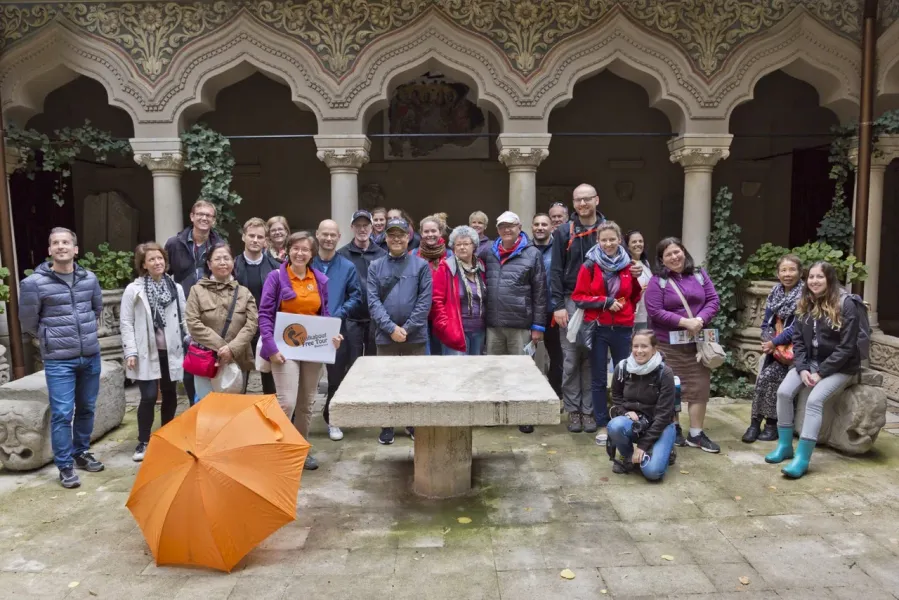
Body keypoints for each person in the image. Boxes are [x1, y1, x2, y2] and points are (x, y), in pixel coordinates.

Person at [551, 184, 643, 438]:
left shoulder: (607, 229)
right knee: (571, 358)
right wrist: (558, 306)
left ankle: (590, 410)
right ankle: (574, 409)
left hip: (604, 303)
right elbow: (555, 270)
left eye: (587, 199)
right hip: (572, 300)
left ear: (597, 200)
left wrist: (634, 271)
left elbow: (623, 262)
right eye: (578, 200)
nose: (582, 204)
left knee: (594, 358)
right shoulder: (563, 231)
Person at [19, 227, 104, 489]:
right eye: (55, 243)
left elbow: (96, 308)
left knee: (87, 407)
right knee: (62, 413)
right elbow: (28, 322)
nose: (61, 246)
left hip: (90, 355)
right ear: (49, 250)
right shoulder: (33, 283)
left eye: (66, 242)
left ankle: (81, 452)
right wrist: (50, 338)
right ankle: (65, 465)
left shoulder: (89, 278)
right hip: (59, 360)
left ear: (75, 249)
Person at [765, 261, 863, 479]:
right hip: (810, 362)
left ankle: (802, 458)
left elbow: (847, 347)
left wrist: (821, 372)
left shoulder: (846, 304)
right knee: (783, 392)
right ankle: (784, 446)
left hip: (841, 366)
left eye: (820, 277)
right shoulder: (805, 301)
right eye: (811, 277)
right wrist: (802, 369)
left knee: (814, 400)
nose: (814, 281)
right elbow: (798, 341)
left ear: (829, 279)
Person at [259, 231, 342, 470]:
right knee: (287, 402)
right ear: (287, 250)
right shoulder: (276, 277)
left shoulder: (320, 280)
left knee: (306, 404)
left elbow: (324, 314)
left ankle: (300, 449)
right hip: (283, 350)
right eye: (295, 248)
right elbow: (264, 315)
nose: (300, 253)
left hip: (312, 349)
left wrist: (332, 337)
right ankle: (279, 449)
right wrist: (271, 347)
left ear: (312, 254)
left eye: (305, 249)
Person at [644, 237, 721, 453]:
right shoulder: (657, 281)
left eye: (677, 252)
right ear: (661, 260)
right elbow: (655, 311)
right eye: (668, 254)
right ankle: (674, 428)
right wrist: (683, 322)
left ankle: (696, 434)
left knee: (699, 387)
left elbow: (713, 300)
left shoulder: (699, 274)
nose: (674, 257)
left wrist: (700, 320)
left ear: (684, 252)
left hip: (697, 344)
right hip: (669, 344)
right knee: (672, 387)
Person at [571, 221, 643, 440]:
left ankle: (623, 421)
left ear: (619, 240)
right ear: (598, 241)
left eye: (612, 239)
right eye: (604, 240)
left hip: (623, 327)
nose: (608, 243)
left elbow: (634, 295)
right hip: (598, 327)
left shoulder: (628, 265)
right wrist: (605, 302)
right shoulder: (590, 265)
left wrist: (628, 300)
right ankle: (602, 422)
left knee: (625, 376)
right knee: (599, 378)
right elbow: (578, 297)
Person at [368, 217, 433, 444]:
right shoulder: (375, 266)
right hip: (385, 336)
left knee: (414, 381)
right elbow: (373, 302)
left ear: (408, 237)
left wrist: (406, 328)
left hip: (415, 336)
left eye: (401, 235)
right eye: (392, 235)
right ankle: (387, 425)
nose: (396, 239)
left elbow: (425, 302)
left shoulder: (421, 266)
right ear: (385, 238)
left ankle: (412, 422)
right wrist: (390, 328)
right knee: (386, 381)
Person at [120, 242, 187, 462]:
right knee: (148, 396)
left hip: (171, 349)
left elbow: (185, 316)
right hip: (146, 350)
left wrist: (190, 340)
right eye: (152, 259)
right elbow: (126, 322)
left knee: (170, 393)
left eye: (160, 258)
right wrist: (130, 351)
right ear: (143, 265)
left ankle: (166, 436)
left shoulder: (175, 287)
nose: (157, 262)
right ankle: (143, 441)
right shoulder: (134, 290)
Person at [483, 211, 546, 434]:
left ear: (519, 227)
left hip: (520, 324)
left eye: (511, 226)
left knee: (522, 372)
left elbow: (540, 292)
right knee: (494, 371)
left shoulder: (532, 253)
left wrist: (538, 326)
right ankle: (495, 414)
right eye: (502, 226)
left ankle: (524, 415)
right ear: (497, 230)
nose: (506, 230)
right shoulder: (489, 252)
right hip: (493, 324)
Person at [165, 199, 224, 406]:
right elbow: (165, 274)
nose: (204, 218)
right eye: (200, 214)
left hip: (211, 310)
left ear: (213, 220)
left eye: (209, 215)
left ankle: (213, 405)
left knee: (210, 359)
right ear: (192, 217)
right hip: (184, 310)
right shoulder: (175, 243)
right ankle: (194, 405)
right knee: (190, 360)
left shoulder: (219, 245)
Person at [185, 243, 258, 402]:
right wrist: (221, 348)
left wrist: (232, 349)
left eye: (227, 258)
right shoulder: (197, 291)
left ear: (233, 262)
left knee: (233, 406)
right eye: (217, 259)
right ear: (209, 264)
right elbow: (193, 323)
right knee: (207, 404)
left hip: (237, 358)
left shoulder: (244, 293)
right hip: (206, 358)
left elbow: (252, 324)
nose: (223, 262)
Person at [742, 254, 802, 444]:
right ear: (778, 273)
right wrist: (767, 340)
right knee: (763, 379)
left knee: (770, 377)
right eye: (783, 270)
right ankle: (754, 423)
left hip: (795, 351)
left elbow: (797, 327)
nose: (787, 274)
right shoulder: (775, 293)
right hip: (775, 351)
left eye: (792, 270)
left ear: (800, 273)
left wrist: (774, 343)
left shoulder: (805, 296)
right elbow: (766, 323)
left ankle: (771, 424)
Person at [313, 220, 362, 441]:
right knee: (307, 377)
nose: (328, 238)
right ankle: (298, 420)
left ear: (339, 237)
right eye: (325, 234)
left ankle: (332, 419)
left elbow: (356, 296)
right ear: (317, 235)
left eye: (333, 235)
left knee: (335, 378)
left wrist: (339, 313)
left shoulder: (347, 266)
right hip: (309, 329)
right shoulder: (307, 262)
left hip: (336, 330)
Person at [607, 330, 677, 480]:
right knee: (615, 426)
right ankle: (628, 457)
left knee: (653, 473)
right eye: (635, 346)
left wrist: (642, 446)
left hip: (660, 424)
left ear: (654, 349)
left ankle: (660, 448)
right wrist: (624, 412)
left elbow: (664, 415)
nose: (639, 351)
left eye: (644, 346)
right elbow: (616, 396)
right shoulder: (622, 368)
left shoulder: (665, 373)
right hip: (635, 422)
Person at [233, 217, 280, 395]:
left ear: (266, 241)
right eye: (251, 235)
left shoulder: (276, 268)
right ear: (243, 237)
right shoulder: (232, 266)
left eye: (260, 237)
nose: (255, 240)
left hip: (267, 330)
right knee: (238, 383)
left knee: (270, 383)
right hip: (239, 330)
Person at [338, 210, 387, 364]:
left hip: (375, 319)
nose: (362, 229)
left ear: (371, 227)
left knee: (374, 363)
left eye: (365, 225)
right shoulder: (342, 255)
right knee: (352, 362)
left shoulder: (382, 255)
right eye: (358, 225)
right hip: (351, 319)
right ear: (351, 227)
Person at [431, 225, 487, 355]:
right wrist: (445, 327)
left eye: (466, 244)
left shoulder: (481, 267)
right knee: (457, 367)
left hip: (479, 331)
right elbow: (436, 300)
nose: (462, 247)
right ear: (453, 247)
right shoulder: (446, 267)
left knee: (477, 367)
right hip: (455, 332)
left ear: (474, 246)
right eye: (458, 244)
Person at [532, 213, 562, 399]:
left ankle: (554, 396)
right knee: (527, 358)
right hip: (530, 312)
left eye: (544, 224)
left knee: (557, 357)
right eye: (536, 224)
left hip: (553, 311)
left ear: (551, 227)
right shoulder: (525, 249)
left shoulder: (559, 249)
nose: (540, 227)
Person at [413, 213, 452, 355]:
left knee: (442, 357)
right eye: (426, 231)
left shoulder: (450, 256)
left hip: (443, 314)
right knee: (424, 356)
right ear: (421, 234)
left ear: (440, 232)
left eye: (433, 231)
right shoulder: (412, 255)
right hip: (419, 315)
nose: (430, 234)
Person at [625, 230, 653, 331]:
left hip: (645, 312)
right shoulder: (625, 264)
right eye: (634, 242)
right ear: (627, 246)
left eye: (640, 241)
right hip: (632, 313)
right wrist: (638, 292)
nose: (638, 244)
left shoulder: (645, 263)